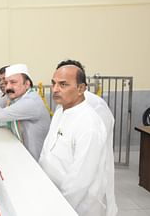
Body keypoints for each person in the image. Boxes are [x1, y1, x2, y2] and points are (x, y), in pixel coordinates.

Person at [39, 60, 114, 216]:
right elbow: (46, 151)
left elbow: (80, 180)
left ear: (81, 88)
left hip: (76, 205)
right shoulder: (61, 111)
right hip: (51, 194)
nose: (55, 89)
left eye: (63, 84)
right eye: (53, 84)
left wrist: (58, 207)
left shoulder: (89, 123)